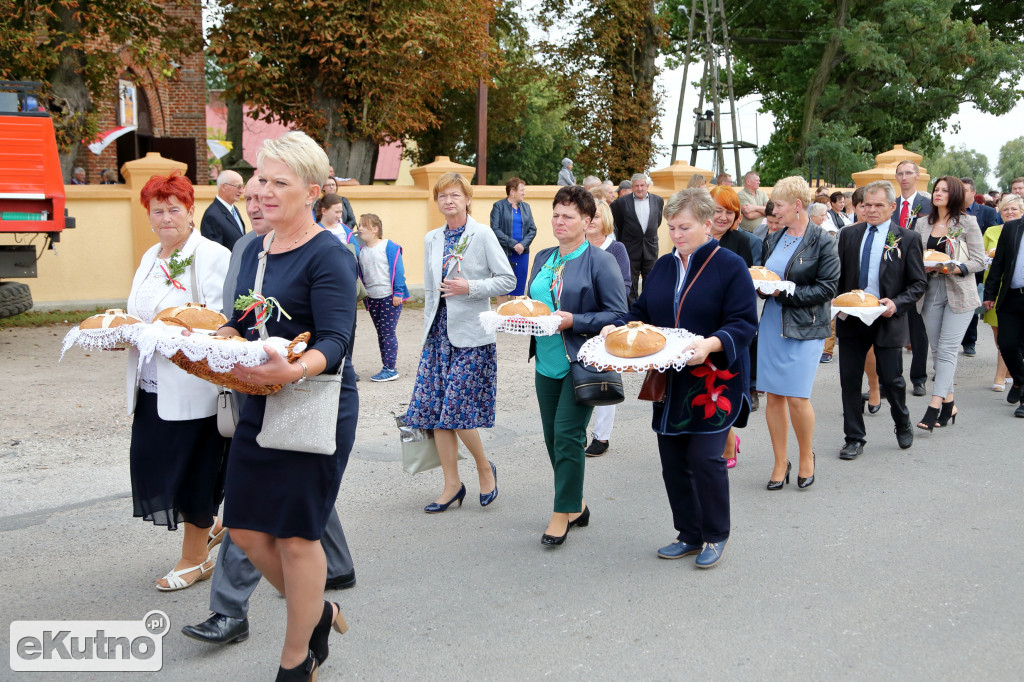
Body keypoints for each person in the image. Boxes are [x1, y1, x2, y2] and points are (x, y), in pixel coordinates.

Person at [182, 174, 357, 648]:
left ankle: (298, 658)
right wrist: (201, 340)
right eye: (261, 180)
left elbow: (337, 341)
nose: (264, 193)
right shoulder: (256, 250)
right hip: (259, 399)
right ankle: (318, 611)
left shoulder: (331, 253)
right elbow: (239, 322)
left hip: (313, 400)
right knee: (242, 524)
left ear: (312, 192)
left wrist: (295, 372)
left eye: (280, 182)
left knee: (298, 536)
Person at [602, 188, 757, 567]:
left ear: (707, 224)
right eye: (671, 227)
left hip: (713, 381)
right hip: (670, 384)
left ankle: (716, 535)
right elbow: (641, 309)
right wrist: (618, 326)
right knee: (673, 461)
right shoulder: (665, 266)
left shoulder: (730, 265)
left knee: (705, 459)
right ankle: (689, 534)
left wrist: (712, 343)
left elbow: (744, 323)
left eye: (684, 227)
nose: (676, 234)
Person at [125, 171, 231, 590]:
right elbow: (137, 313)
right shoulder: (150, 257)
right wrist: (124, 334)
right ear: (148, 215)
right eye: (157, 210)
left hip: (194, 384)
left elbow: (221, 322)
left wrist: (165, 334)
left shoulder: (211, 255)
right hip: (151, 382)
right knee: (154, 461)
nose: (166, 217)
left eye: (174, 209)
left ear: (191, 211)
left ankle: (195, 557)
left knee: (194, 470)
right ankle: (212, 524)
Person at [406, 172, 514, 513]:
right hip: (438, 336)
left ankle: (484, 467)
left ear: (467, 199)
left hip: (471, 336)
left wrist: (472, 287)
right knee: (436, 413)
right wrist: (426, 334)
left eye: (455, 195)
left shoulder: (481, 234)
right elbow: (430, 288)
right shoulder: (432, 239)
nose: (448, 201)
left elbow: (507, 279)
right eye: (442, 196)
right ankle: (451, 485)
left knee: (456, 410)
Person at [527, 186, 628, 546]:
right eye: (556, 214)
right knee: (552, 438)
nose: (559, 221)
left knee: (569, 436)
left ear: (587, 221)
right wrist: (521, 315)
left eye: (568, 216)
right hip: (546, 362)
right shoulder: (542, 257)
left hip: (581, 363)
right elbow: (535, 303)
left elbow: (617, 314)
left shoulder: (601, 261)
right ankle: (577, 504)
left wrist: (575, 320)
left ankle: (560, 513)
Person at [835, 181, 927, 460]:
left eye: (878, 205)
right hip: (852, 317)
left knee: (892, 379)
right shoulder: (848, 235)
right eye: (866, 205)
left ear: (891, 207)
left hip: (886, 316)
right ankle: (854, 437)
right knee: (849, 380)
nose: (871, 210)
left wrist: (896, 303)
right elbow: (839, 275)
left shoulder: (907, 238)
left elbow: (918, 283)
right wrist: (836, 300)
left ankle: (902, 421)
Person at [758, 176, 839, 491]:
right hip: (772, 325)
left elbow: (827, 288)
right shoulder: (772, 236)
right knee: (774, 397)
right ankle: (780, 461)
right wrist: (763, 287)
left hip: (806, 326)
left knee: (797, 396)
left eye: (778, 205)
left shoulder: (823, 240)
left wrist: (784, 293)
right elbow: (767, 274)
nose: (774, 210)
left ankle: (807, 456)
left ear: (796, 205)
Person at [913, 176, 985, 431]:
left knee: (947, 350)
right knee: (937, 351)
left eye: (944, 190)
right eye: (936, 189)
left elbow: (979, 260)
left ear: (954, 194)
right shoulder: (923, 223)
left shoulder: (967, 222)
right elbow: (916, 256)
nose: (938, 193)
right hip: (929, 291)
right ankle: (949, 404)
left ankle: (933, 407)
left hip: (960, 293)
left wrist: (956, 268)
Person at [708, 185, 756, 465]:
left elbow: (745, 285)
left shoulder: (741, 242)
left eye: (730, 212)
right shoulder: (692, 236)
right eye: (718, 210)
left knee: (725, 384)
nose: (723, 217)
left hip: (729, 324)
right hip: (700, 322)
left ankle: (727, 441)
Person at [582, 199, 630, 457]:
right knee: (578, 378)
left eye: (597, 216)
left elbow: (624, 286)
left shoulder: (616, 249)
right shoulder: (577, 248)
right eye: (588, 216)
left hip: (607, 322)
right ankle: (578, 431)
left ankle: (601, 437)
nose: (591, 221)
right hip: (578, 321)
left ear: (606, 221)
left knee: (604, 380)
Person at [892, 161, 933, 396]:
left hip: (918, 270)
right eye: (900, 173)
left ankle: (919, 377)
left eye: (908, 173)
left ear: (917, 176)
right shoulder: (892, 205)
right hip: (893, 271)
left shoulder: (927, 205)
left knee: (918, 328)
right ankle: (893, 377)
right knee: (893, 326)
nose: (904, 177)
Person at [357, 213, 409, 382]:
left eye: (364, 225)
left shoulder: (388, 246)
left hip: (389, 297)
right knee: (381, 333)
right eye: (359, 225)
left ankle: (390, 368)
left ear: (375, 229)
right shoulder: (362, 252)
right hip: (373, 298)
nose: (360, 228)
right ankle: (386, 366)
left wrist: (398, 293)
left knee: (387, 333)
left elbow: (398, 270)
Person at [983, 205, 1024, 418]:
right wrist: (989, 293)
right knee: (1007, 344)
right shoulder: (1011, 228)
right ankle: (1019, 380)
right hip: (1011, 296)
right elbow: (998, 263)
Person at [960, 176, 1000, 356]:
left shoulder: (986, 213)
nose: (960, 194)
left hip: (977, 266)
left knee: (972, 306)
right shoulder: (948, 212)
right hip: (954, 266)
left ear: (973, 193)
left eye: (965, 190)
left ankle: (970, 342)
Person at [610, 173, 665, 303]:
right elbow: (618, 224)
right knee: (631, 282)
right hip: (630, 248)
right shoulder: (621, 203)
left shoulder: (658, 200)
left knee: (651, 279)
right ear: (632, 187)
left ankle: (648, 307)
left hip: (650, 248)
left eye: (642, 185)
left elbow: (657, 221)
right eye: (636, 186)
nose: (639, 189)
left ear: (647, 186)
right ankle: (633, 311)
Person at [489, 177, 538, 303]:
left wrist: (522, 245)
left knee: (519, 286)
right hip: (503, 252)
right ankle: (502, 317)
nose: (524, 193)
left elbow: (532, 229)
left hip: (522, 253)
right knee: (502, 284)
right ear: (512, 191)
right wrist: (513, 244)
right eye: (521, 190)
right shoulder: (498, 206)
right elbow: (495, 229)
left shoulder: (526, 207)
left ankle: (515, 317)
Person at [200, 170, 247, 251]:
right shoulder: (212, 216)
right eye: (238, 186)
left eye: (242, 187)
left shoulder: (234, 209)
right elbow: (214, 253)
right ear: (224, 187)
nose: (241, 191)